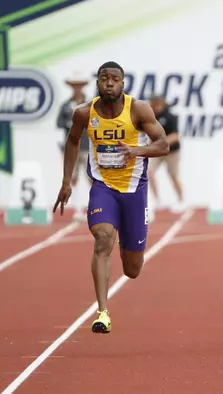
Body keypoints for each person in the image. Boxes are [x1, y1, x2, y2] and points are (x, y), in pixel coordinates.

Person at [53, 61, 170, 334]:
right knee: (103, 237)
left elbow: (163, 144)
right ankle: (102, 312)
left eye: (114, 78)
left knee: (132, 269)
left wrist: (135, 150)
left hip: (134, 191)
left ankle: (126, 237)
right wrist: (66, 181)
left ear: (123, 84)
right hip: (103, 187)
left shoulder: (138, 110)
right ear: (97, 83)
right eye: (104, 78)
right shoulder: (84, 113)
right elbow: (72, 141)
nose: (109, 82)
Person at [56, 71, 91, 220]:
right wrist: (71, 124)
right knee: (73, 178)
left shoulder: (90, 104)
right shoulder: (65, 105)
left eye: (79, 86)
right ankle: (77, 209)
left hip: (88, 146)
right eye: (74, 86)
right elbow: (58, 123)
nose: (77, 88)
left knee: (92, 178)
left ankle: (94, 208)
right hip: (72, 147)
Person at [147, 95, 185, 213]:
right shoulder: (151, 117)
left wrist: (162, 142)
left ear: (162, 104)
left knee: (173, 176)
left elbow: (175, 135)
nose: (156, 107)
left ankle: (181, 200)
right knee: (149, 172)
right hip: (157, 152)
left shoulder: (171, 117)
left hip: (171, 151)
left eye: (158, 105)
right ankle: (157, 199)